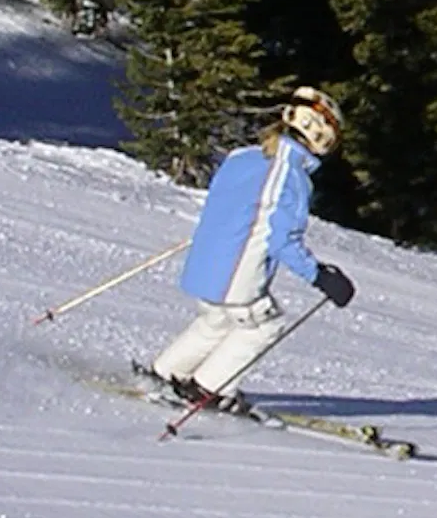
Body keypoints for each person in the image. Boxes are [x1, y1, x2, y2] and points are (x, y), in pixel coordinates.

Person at [152, 88, 355, 404]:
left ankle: (165, 372)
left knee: (216, 322)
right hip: (237, 273)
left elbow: (224, 203)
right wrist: (321, 277)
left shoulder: (245, 155)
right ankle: (208, 389)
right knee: (262, 325)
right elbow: (282, 240)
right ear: (320, 133)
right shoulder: (290, 174)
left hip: (208, 263)